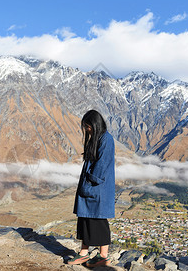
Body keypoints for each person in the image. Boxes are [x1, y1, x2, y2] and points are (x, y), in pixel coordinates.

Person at [68, 110, 115, 267]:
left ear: (94, 124)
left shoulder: (106, 139)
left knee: (98, 220)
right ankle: (83, 253)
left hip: (97, 188)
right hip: (91, 187)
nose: (87, 130)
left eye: (88, 126)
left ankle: (103, 256)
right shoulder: (97, 138)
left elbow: (101, 166)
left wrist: (90, 180)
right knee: (85, 219)